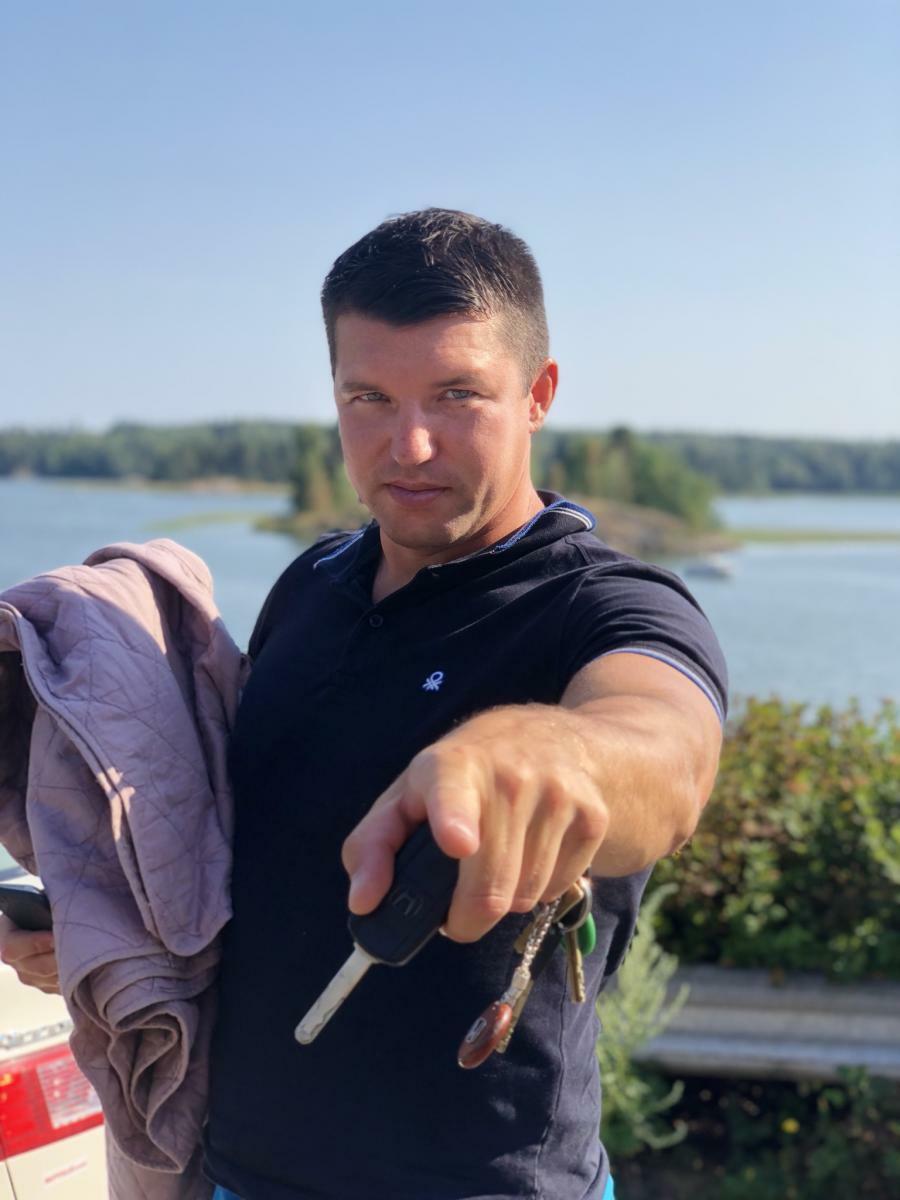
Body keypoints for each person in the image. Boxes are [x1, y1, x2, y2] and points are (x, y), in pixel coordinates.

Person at [1, 208, 727, 1200]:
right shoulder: (312, 583)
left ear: (538, 395)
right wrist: (97, 927)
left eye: (458, 395)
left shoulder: (603, 605)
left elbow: (665, 750)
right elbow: (261, 851)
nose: (409, 443)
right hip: (238, 1174)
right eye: (369, 398)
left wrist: (546, 754)